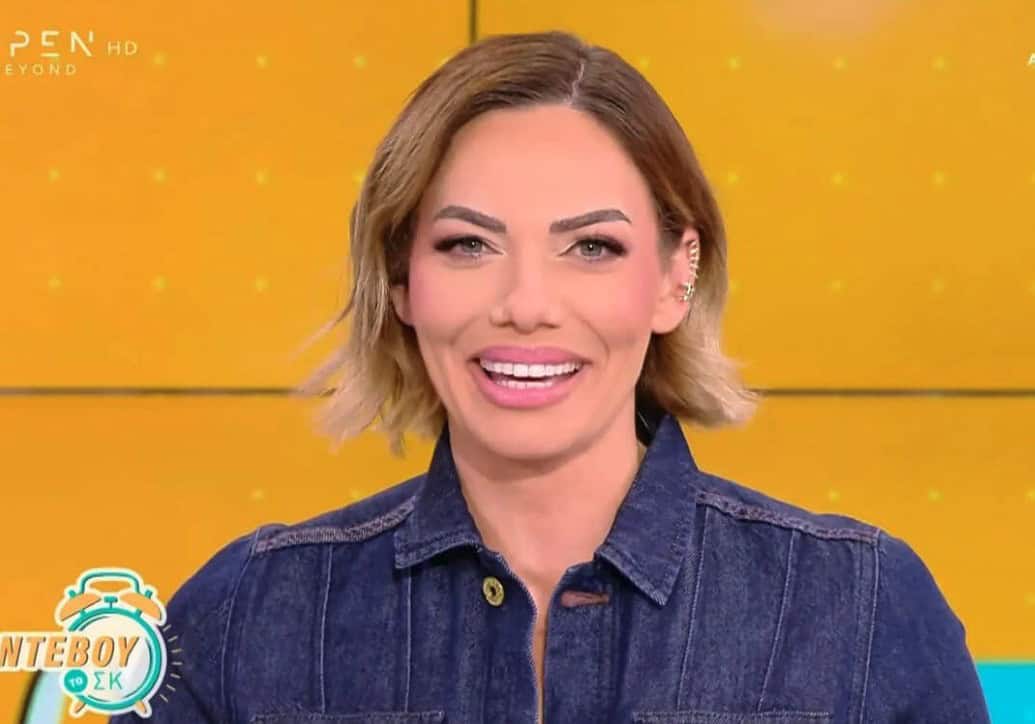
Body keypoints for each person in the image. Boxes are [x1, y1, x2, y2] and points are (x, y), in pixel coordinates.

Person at [110, 30, 991, 724]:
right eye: (468, 244)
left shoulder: (858, 607)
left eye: (591, 247)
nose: (525, 304)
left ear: (674, 275)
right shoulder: (244, 616)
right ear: (401, 277)